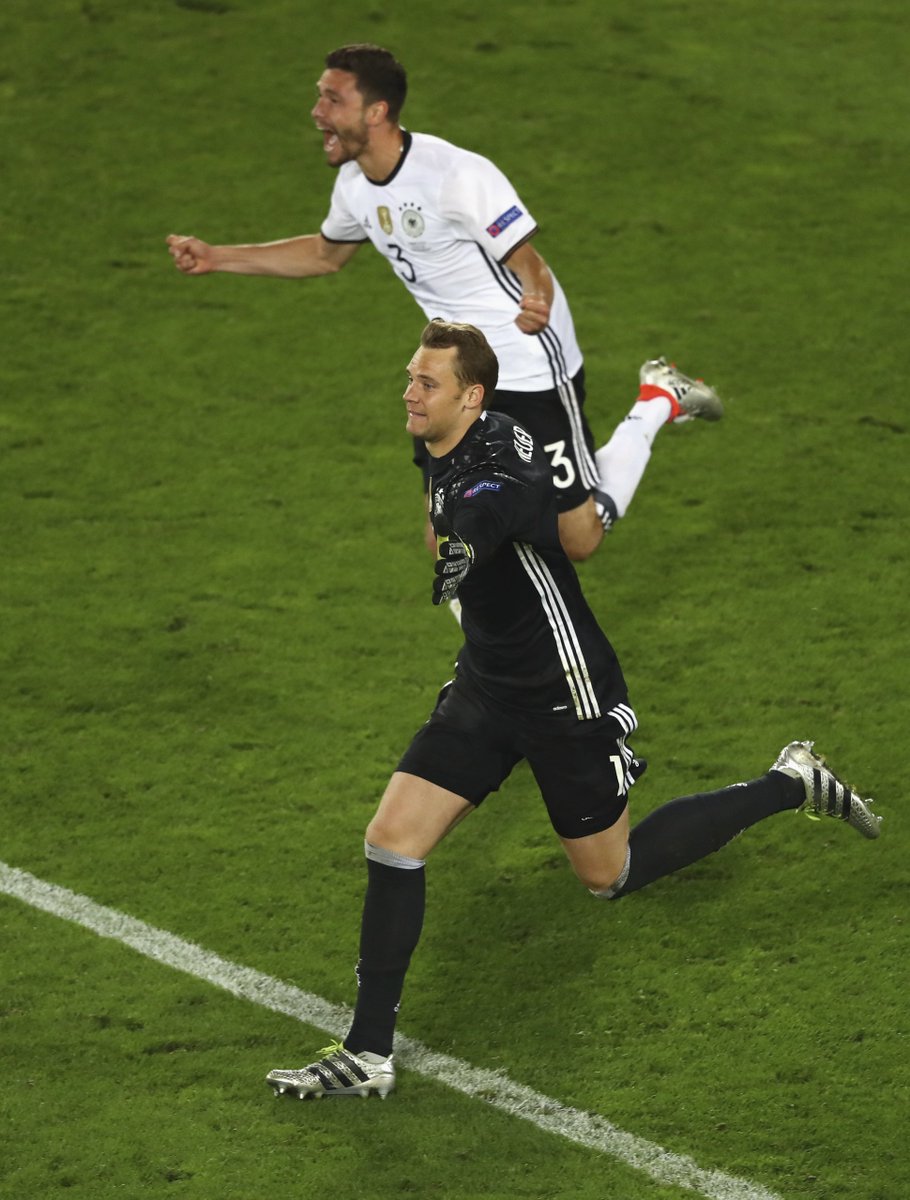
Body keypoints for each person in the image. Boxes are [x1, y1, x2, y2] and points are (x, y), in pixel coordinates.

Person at [265, 320, 881, 1100]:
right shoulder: (436, 438)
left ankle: (790, 782)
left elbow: (497, 501)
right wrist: (453, 548)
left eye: (426, 382)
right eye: (410, 377)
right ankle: (367, 1053)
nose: (409, 393)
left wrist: (465, 544)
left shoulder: (504, 449)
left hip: (565, 690)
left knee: (609, 875)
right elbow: (451, 510)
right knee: (392, 841)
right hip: (487, 684)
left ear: (472, 396)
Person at [166, 43, 723, 564]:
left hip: (526, 360)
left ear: (377, 111)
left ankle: (657, 399)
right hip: (457, 368)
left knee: (577, 540)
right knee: (446, 536)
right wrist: (217, 257)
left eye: (333, 100)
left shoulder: (455, 175)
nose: (317, 112)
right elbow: (324, 254)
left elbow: (527, 260)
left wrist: (538, 298)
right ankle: (498, 634)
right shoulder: (355, 185)